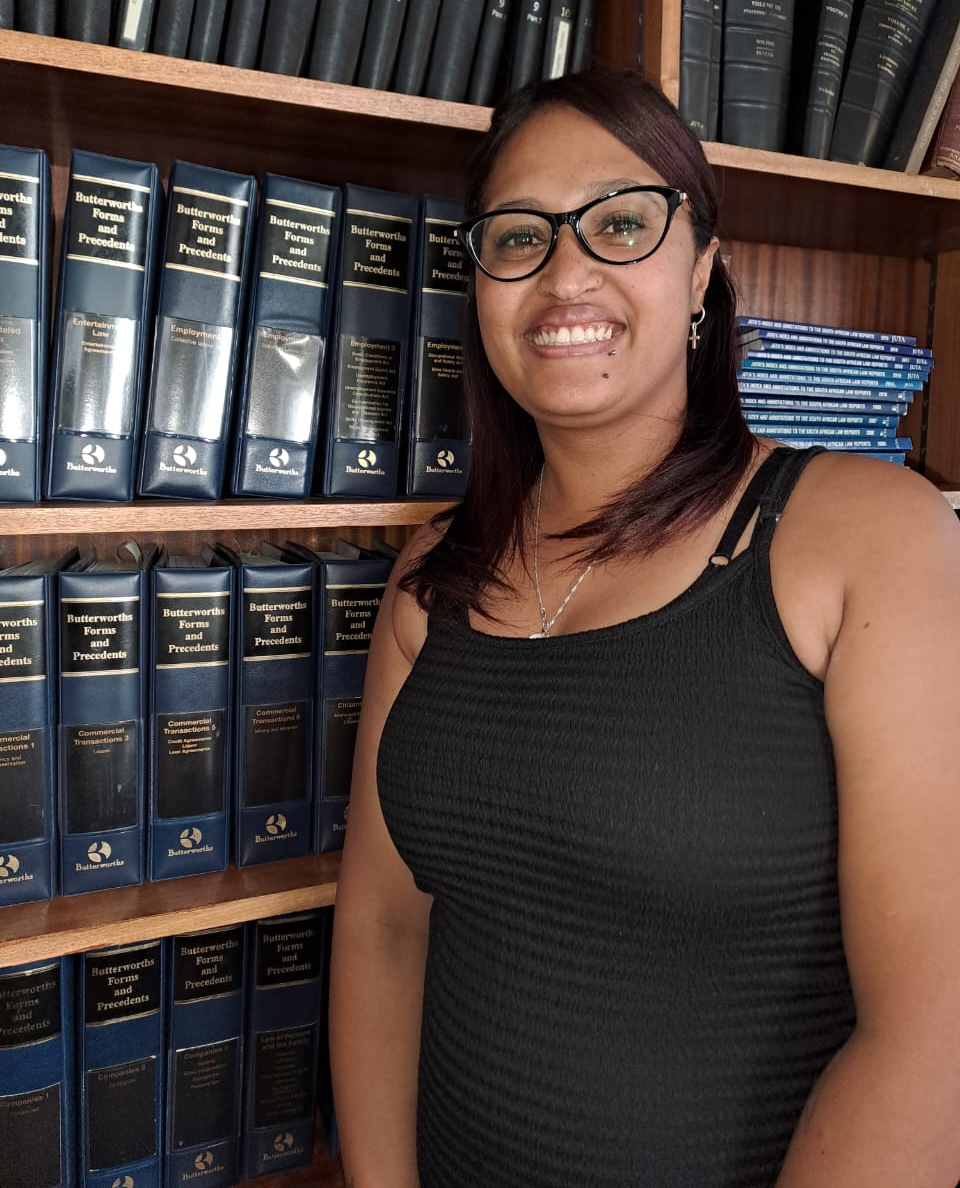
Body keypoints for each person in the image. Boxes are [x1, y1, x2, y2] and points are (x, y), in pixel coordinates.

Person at [328, 67, 960, 1188]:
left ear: (703, 266)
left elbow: (935, 1040)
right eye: (517, 237)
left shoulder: (872, 534)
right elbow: (384, 927)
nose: (565, 272)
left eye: (621, 223)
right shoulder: (433, 575)